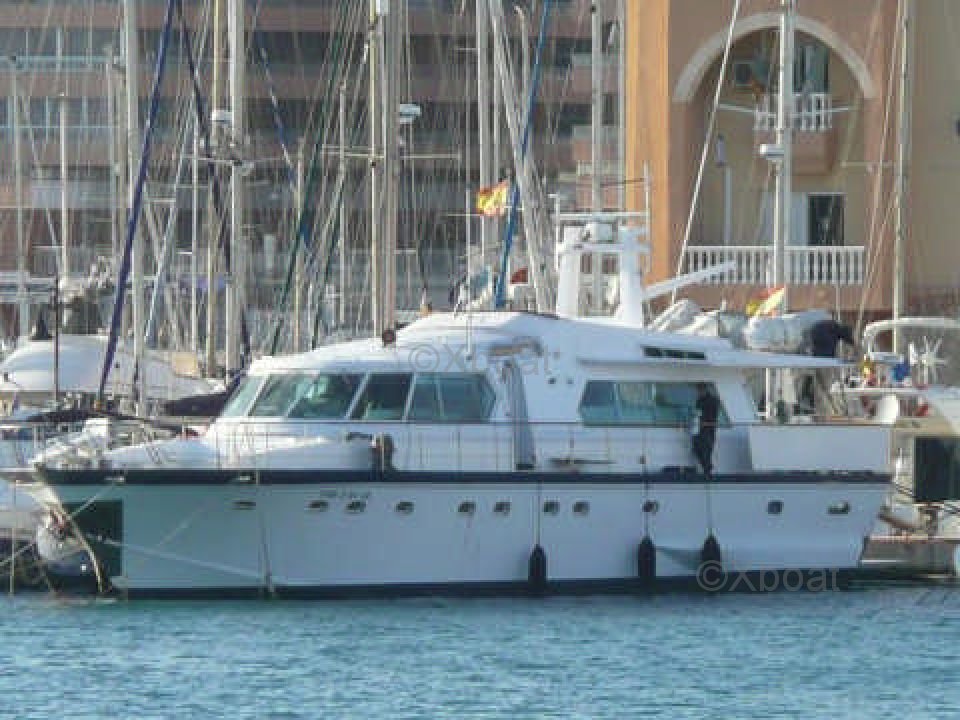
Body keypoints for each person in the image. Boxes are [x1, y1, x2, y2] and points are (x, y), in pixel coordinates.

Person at [692, 382, 719, 475]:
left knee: (706, 450)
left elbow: (713, 415)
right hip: (698, 428)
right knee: (696, 448)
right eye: (698, 390)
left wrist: (704, 421)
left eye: (700, 390)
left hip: (708, 429)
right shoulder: (699, 400)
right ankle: (707, 468)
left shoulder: (712, 400)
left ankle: (707, 471)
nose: (698, 392)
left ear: (704, 389)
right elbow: (697, 412)